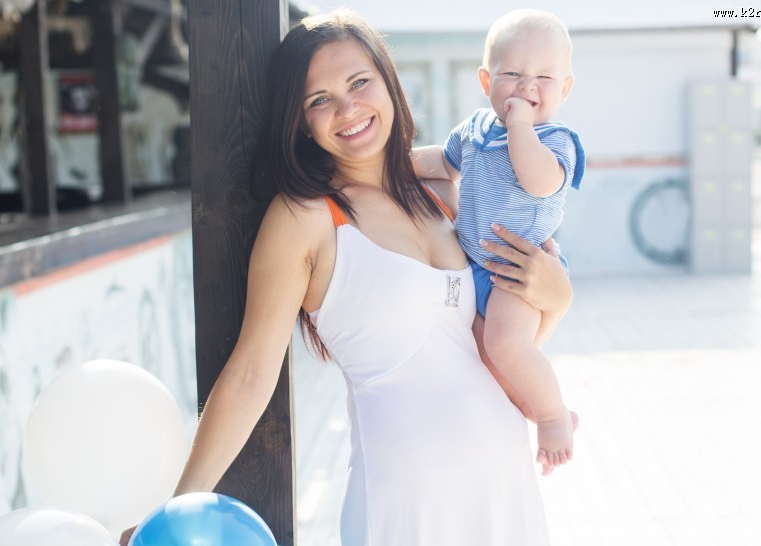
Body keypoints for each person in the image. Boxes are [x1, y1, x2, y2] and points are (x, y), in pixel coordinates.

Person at [121, 9, 573, 546]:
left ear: (388, 82)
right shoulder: (305, 217)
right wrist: (176, 511)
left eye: (360, 82)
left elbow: (491, 351)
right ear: (299, 119)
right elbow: (249, 375)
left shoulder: (441, 197)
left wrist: (558, 300)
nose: (348, 108)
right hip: (406, 505)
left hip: (504, 487)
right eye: (319, 99)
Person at [412, 8, 584, 472]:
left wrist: (521, 129)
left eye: (544, 77)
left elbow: (540, 182)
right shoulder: (474, 130)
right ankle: (546, 411)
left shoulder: (555, 139)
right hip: (474, 266)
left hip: (518, 271)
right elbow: (442, 164)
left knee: (508, 348)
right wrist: (396, 164)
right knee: (492, 366)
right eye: (512, 73)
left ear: (564, 89)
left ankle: (550, 417)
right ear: (486, 81)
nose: (528, 86)